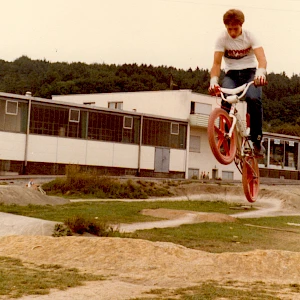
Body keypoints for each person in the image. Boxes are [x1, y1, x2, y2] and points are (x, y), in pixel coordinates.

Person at [209, 9, 267, 157]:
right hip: (232, 75)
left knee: (254, 99)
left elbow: (262, 59)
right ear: (225, 27)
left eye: (236, 29)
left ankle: (257, 141)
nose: (233, 33)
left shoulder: (250, 37)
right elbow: (216, 64)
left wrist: (260, 74)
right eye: (229, 29)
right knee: (225, 100)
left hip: (250, 73)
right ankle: (225, 141)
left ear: (241, 25)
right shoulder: (222, 39)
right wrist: (213, 81)